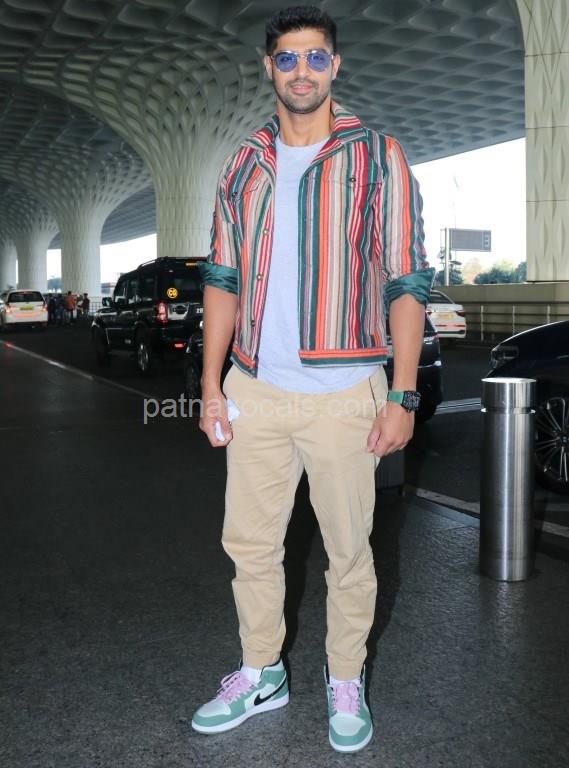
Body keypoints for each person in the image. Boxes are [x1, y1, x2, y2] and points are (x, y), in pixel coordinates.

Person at [193, 5, 434, 753]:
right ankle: (261, 672)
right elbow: (222, 279)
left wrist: (402, 395)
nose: (302, 71)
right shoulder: (243, 163)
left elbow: (406, 280)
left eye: (316, 57)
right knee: (249, 545)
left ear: (336, 65)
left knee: (348, 550)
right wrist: (211, 385)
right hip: (255, 389)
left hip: (344, 391)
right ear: (268, 67)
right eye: (288, 58)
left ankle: (344, 677)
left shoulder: (377, 155)